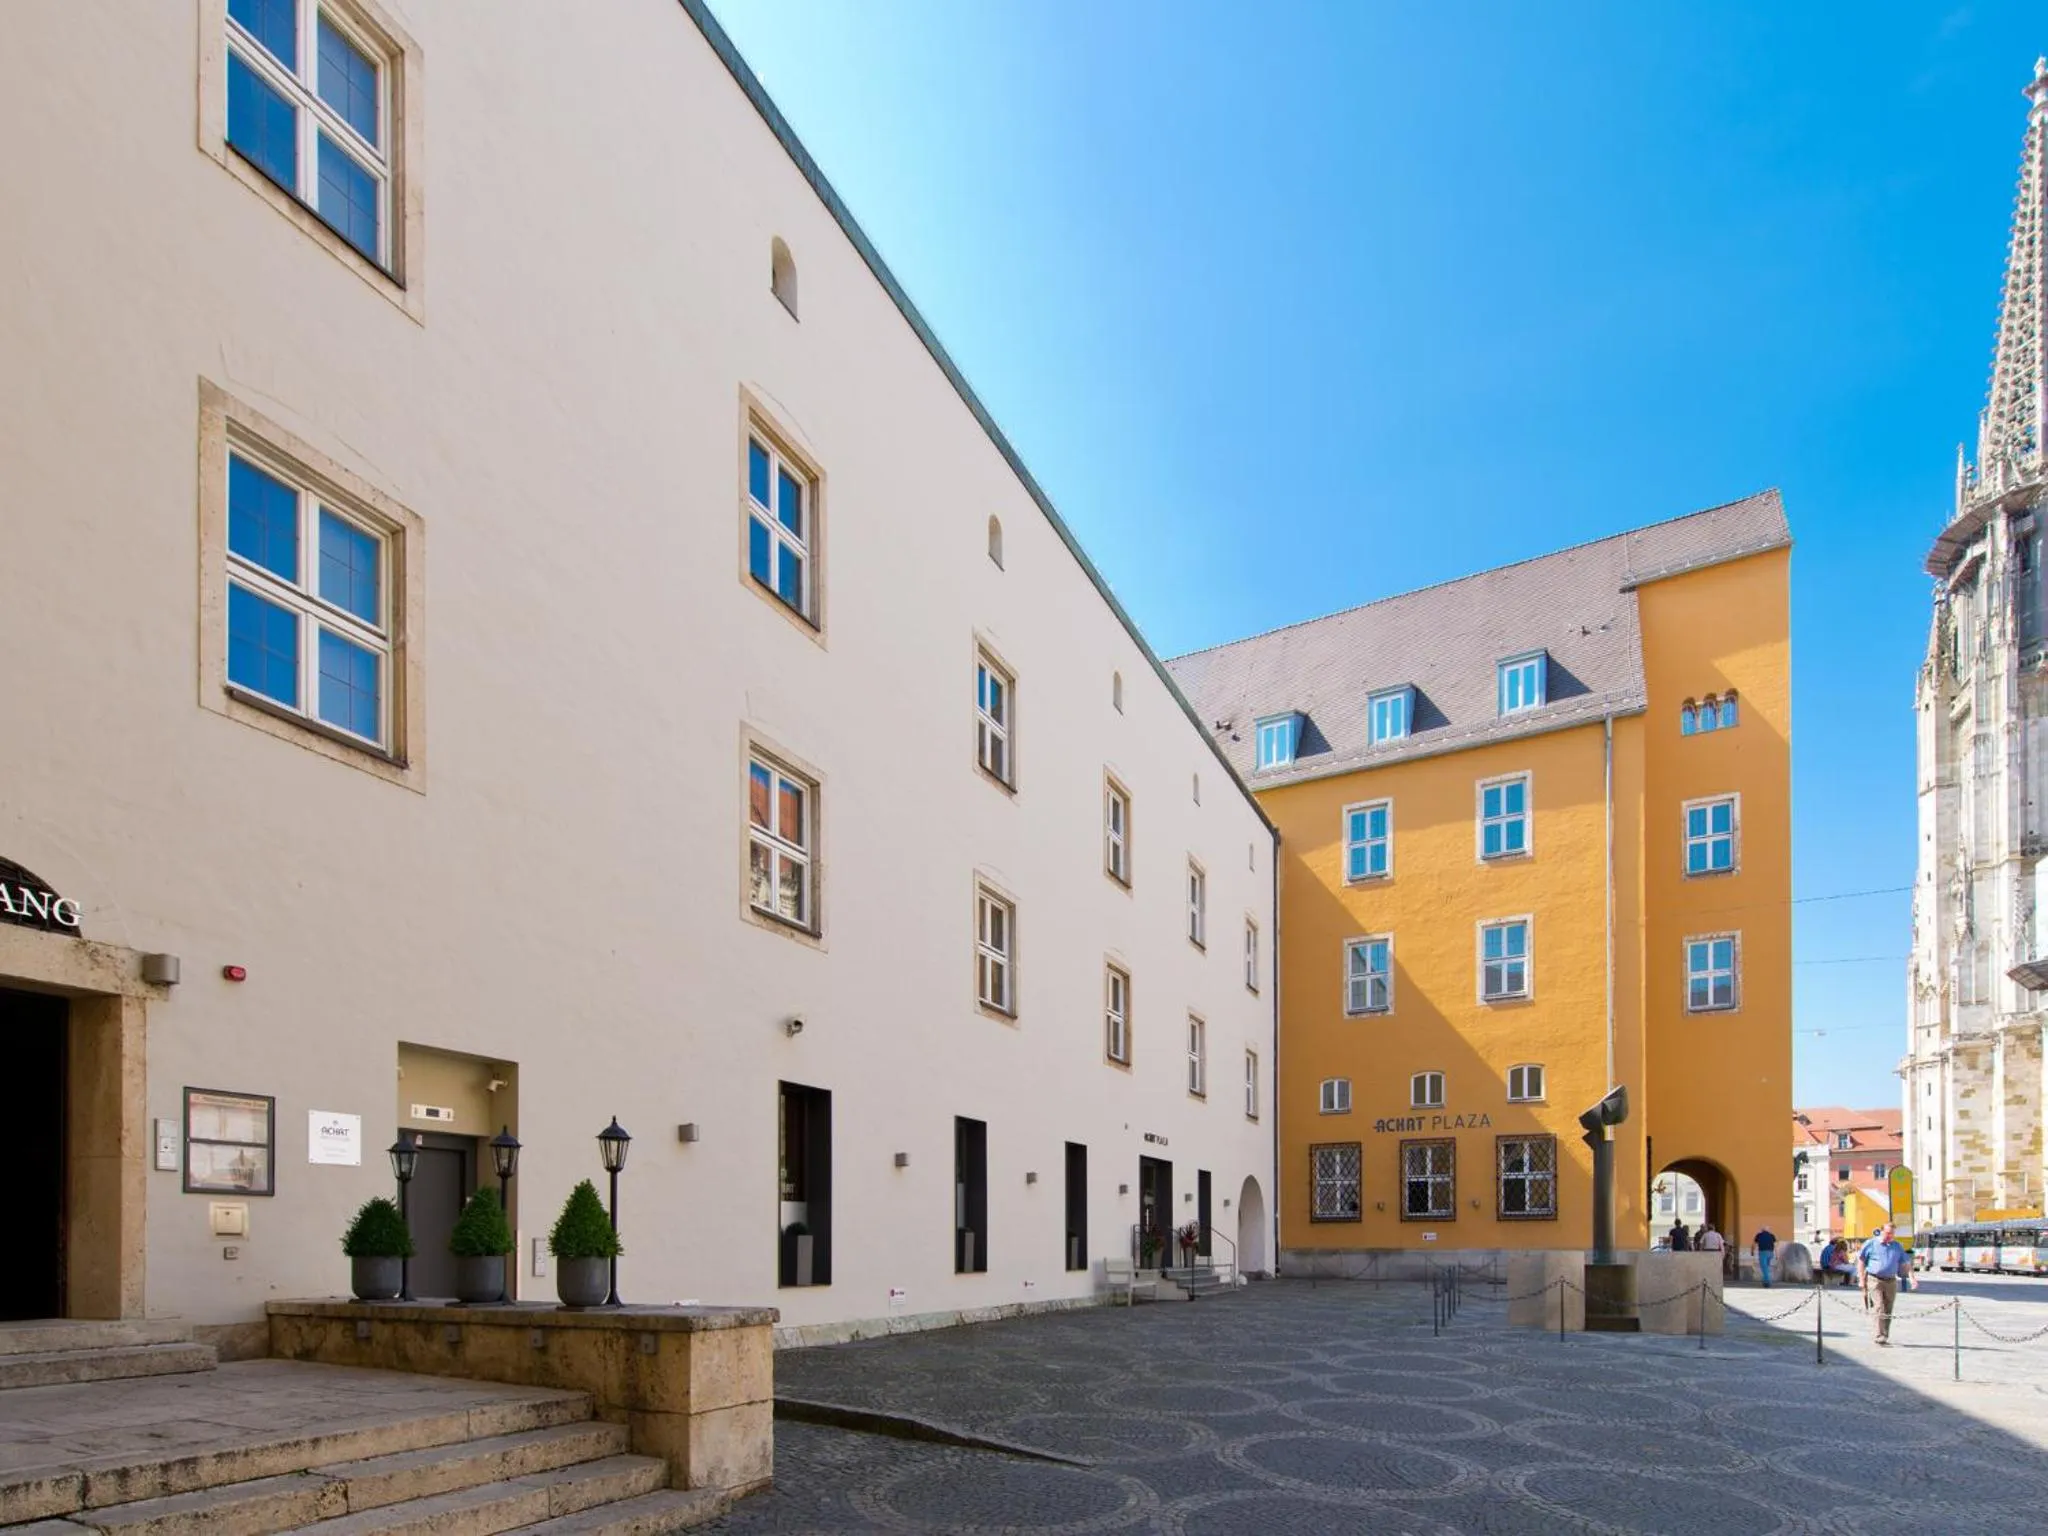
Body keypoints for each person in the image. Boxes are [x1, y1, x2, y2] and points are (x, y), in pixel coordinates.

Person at [1857, 1222, 1916, 1345]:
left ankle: (1885, 1335)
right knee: (1879, 1306)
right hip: (1874, 1279)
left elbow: (1906, 1263)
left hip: (1891, 1280)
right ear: (1882, 1231)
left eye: (1892, 1233)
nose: (1890, 1236)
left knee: (1888, 1308)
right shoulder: (1871, 1243)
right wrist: (1861, 1279)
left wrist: (1912, 1278)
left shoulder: (1897, 1246)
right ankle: (1879, 1335)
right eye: (1888, 1233)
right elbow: (1861, 1261)